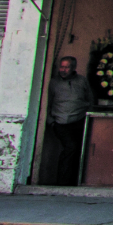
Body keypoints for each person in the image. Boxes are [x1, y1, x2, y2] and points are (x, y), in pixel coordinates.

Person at [43, 56, 93, 186]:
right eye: (62, 66)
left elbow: (90, 99)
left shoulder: (82, 81)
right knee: (71, 147)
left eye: (67, 67)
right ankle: (62, 182)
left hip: (79, 120)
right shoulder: (54, 82)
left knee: (79, 150)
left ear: (73, 68)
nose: (63, 70)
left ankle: (75, 181)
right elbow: (47, 102)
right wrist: (50, 121)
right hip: (60, 121)